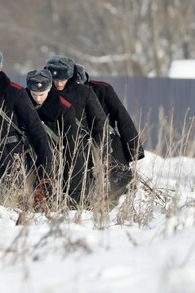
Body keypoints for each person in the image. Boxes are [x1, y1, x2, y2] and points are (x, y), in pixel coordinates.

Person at [0, 49, 53, 204]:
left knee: (14, 202)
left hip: (13, 155)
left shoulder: (16, 92)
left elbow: (34, 127)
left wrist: (46, 160)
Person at [75, 63, 145, 200]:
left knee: (120, 181)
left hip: (108, 140)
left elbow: (122, 116)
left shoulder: (103, 89)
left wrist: (134, 149)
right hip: (78, 142)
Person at [45, 55, 107, 205]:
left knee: (78, 187)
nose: (59, 83)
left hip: (79, 147)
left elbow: (99, 121)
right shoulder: (42, 91)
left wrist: (99, 148)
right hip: (50, 145)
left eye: (63, 79)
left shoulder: (84, 92)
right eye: (55, 79)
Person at [26, 69, 82, 205]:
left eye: (42, 94)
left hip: (53, 160)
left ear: (50, 89)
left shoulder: (64, 108)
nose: (38, 98)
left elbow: (72, 145)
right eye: (34, 94)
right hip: (27, 159)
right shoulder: (22, 102)